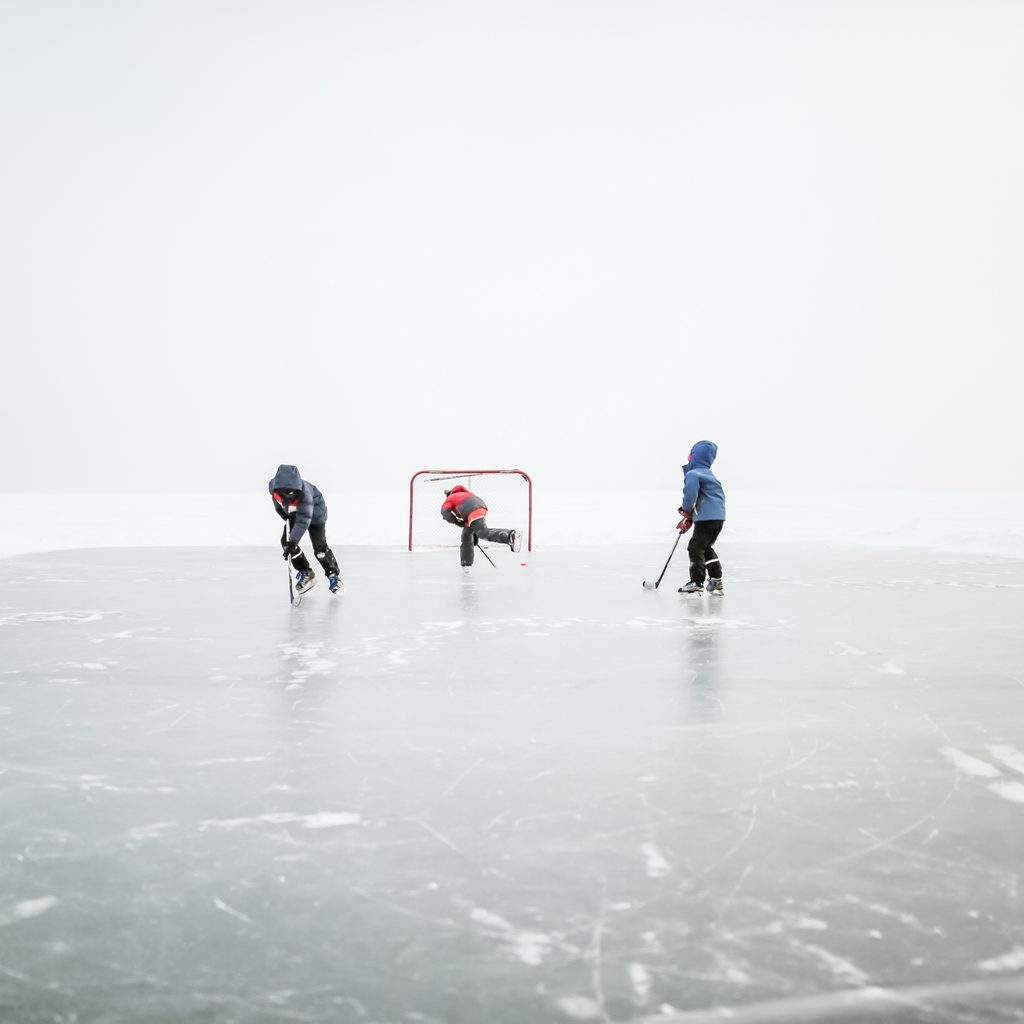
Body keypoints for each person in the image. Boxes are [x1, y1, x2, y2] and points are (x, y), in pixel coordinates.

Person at [268, 464, 342, 594]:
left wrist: (293, 541)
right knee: (287, 545)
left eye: (292, 490)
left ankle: (333, 575)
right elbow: (278, 504)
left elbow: (304, 520)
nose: (289, 493)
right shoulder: (273, 487)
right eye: (286, 490)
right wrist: (286, 517)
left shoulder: (305, 494)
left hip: (315, 516)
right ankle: (306, 572)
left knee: (320, 549)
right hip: (294, 514)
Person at [677, 440, 726, 594]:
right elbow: (708, 498)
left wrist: (685, 510)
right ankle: (716, 579)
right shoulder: (709, 475)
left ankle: (696, 582)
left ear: (693, 456)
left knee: (695, 547)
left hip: (706, 518)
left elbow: (690, 495)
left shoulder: (693, 474)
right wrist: (690, 517)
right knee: (705, 548)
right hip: (718, 518)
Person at [440, 485, 521, 570]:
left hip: (470, 509)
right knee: (466, 535)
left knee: (482, 533)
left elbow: (446, 514)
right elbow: (472, 526)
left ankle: (509, 536)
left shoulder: (450, 498)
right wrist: (474, 536)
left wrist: (457, 522)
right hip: (478, 506)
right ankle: (466, 564)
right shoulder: (467, 494)